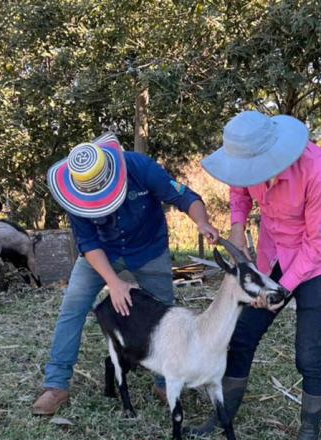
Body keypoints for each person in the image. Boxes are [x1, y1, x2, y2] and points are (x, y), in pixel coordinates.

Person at [32, 133, 218, 416]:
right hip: (101, 255)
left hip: (148, 249)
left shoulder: (141, 168)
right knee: (72, 307)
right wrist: (114, 283)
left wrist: (202, 222)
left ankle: (164, 381)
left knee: (165, 315)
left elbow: (184, 197)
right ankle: (56, 384)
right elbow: (88, 243)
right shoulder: (75, 192)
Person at [195, 110, 321, 440]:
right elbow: (238, 189)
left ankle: (308, 433)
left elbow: (317, 243)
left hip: (315, 264)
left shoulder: (320, 173)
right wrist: (237, 225)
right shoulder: (248, 165)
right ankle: (223, 413)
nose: (249, 178)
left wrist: (280, 291)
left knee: (307, 354)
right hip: (272, 254)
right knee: (241, 337)